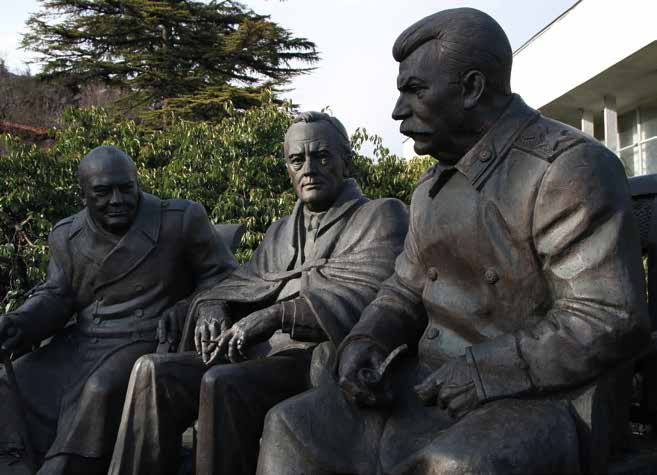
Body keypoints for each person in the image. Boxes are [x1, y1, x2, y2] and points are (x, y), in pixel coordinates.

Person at [256, 9, 650, 475]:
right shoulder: (430, 188)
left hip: (540, 396)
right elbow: (403, 290)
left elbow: (607, 317)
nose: (398, 110)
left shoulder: (566, 169)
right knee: (290, 426)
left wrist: (486, 370)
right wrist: (368, 338)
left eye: (415, 90)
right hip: (428, 384)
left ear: (471, 88)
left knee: (452, 466)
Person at [108, 112, 409, 475]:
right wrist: (213, 304)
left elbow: (368, 294)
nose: (309, 169)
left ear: (347, 161)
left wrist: (275, 315)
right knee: (152, 372)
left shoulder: (381, 214)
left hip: (317, 358)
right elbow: (244, 282)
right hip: (255, 351)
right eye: (297, 160)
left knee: (222, 382)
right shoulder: (280, 231)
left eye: (322, 156)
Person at [0, 145, 237, 475]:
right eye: (103, 191)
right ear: (83, 194)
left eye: (126, 188)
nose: (117, 200)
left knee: (99, 389)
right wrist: (18, 322)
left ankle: (63, 467)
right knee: (10, 380)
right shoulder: (67, 235)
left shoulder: (178, 219)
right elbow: (56, 296)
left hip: (146, 338)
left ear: (137, 183)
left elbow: (224, 274)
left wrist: (187, 307)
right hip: (83, 340)